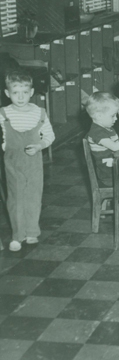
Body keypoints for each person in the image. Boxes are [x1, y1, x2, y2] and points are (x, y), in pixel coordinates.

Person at [0, 71, 55, 252]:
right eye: (16, 93)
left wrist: (40, 146)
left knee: (33, 196)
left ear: (31, 92)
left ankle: (32, 232)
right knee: (16, 198)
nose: (21, 97)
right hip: (12, 161)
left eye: (25, 92)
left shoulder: (39, 113)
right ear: (8, 94)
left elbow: (49, 135)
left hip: (34, 161)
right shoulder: (3, 113)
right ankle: (18, 235)